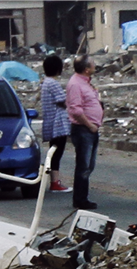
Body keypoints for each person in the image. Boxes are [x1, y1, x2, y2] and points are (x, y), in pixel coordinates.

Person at [65, 54, 103, 210]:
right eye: (93, 64)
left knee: (89, 165)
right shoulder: (75, 84)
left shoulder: (86, 83)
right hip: (83, 129)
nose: (95, 66)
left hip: (91, 128)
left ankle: (83, 196)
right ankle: (80, 199)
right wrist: (89, 125)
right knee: (83, 165)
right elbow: (75, 110)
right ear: (87, 69)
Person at [40, 55, 72, 194]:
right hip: (58, 124)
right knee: (57, 154)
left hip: (50, 122)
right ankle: (55, 182)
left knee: (54, 153)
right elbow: (63, 100)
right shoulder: (53, 84)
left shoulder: (45, 83)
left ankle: (54, 182)